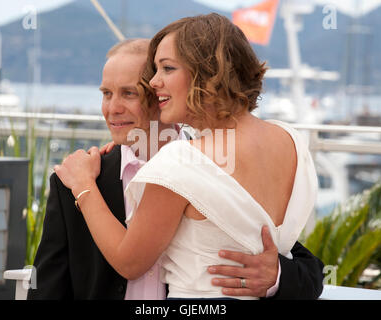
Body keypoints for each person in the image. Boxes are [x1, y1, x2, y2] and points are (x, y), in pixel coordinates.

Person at [30, 36, 323, 300]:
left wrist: (275, 278)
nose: (112, 108)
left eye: (129, 93)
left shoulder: (212, 167)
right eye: (106, 93)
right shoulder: (74, 180)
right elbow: (48, 287)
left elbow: (305, 266)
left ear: (163, 93)